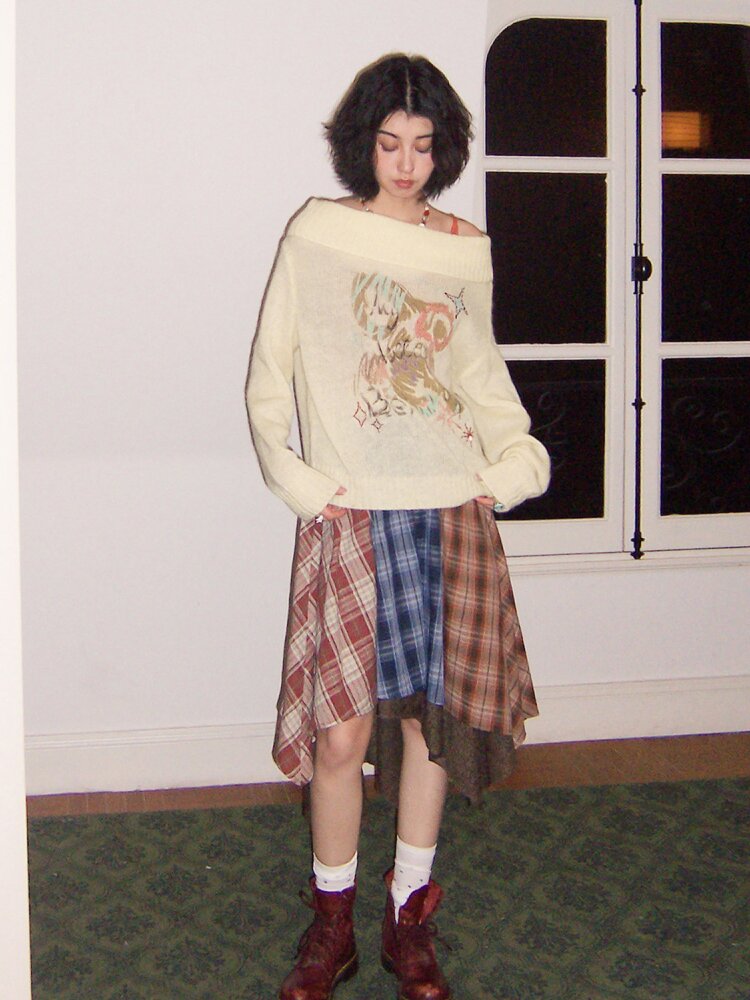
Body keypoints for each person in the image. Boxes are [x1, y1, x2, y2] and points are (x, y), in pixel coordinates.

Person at [246, 53, 550, 1000]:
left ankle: (407, 917)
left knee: (428, 726)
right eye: (389, 144)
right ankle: (331, 923)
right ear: (363, 145)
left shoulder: (462, 247)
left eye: (423, 145)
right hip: (353, 513)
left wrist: (511, 466)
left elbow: (479, 377)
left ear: (443, 148)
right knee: (339, 738)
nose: (407, 164)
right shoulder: (319, 233)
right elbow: (270, 373)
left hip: (447, 511)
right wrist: (300, 481)